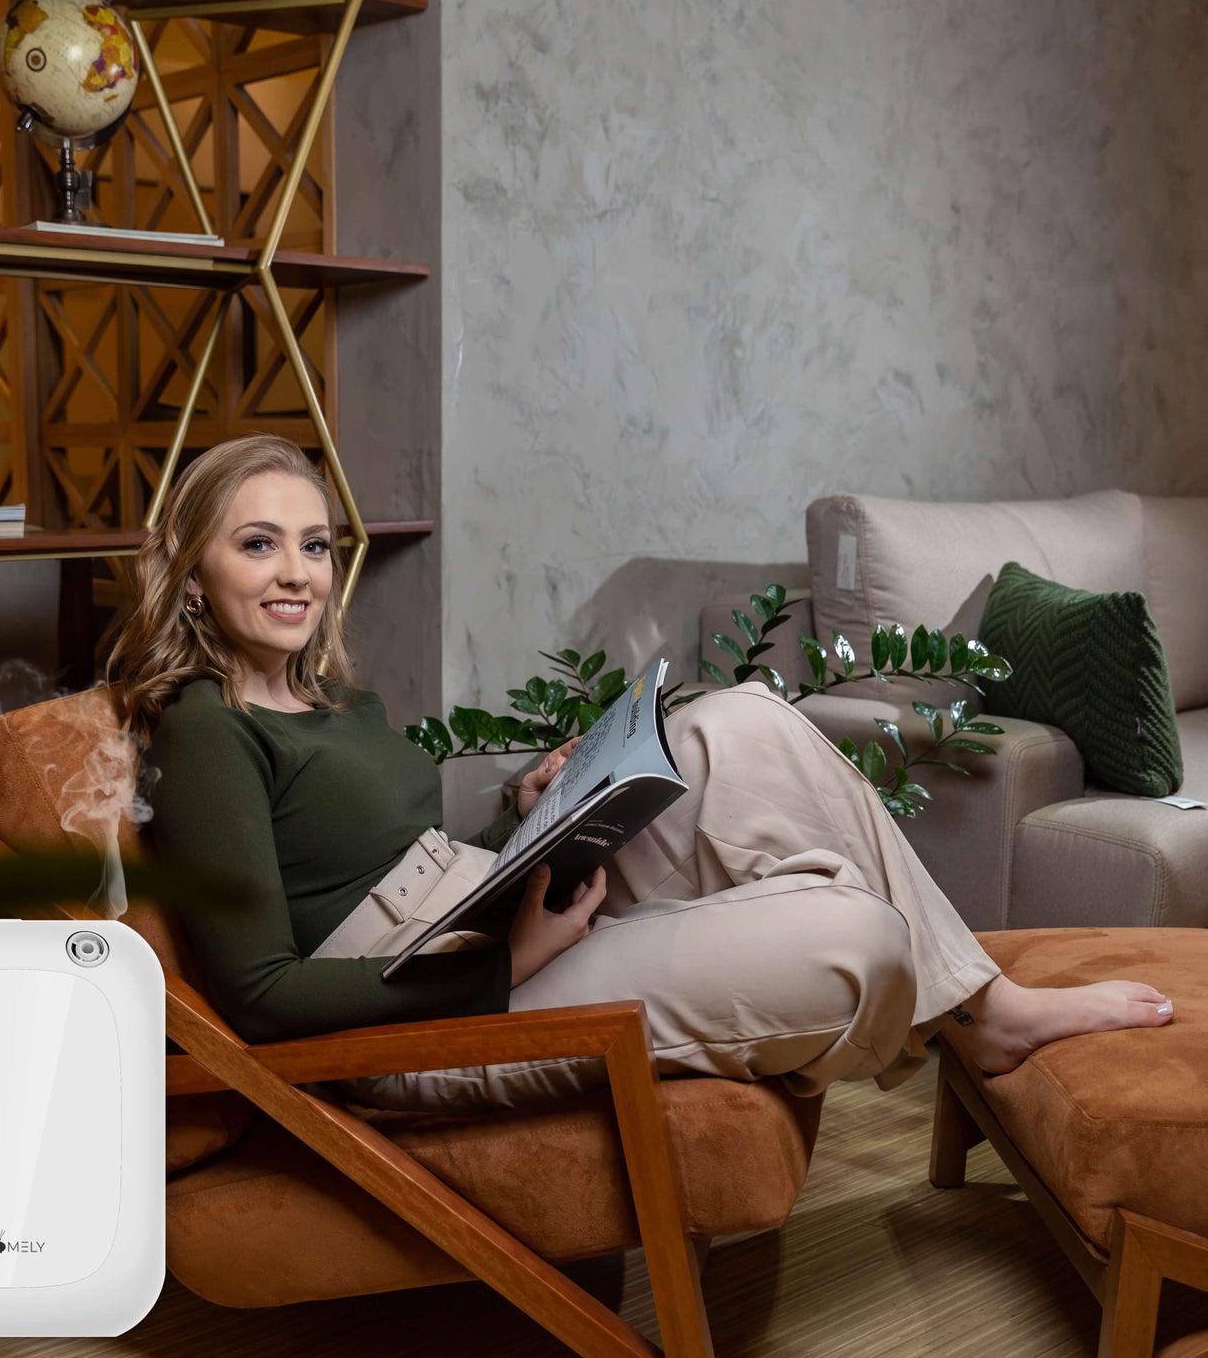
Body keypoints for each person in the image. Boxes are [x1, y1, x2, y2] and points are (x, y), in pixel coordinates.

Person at [109, 434, 1174, 1113]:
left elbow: (387, 853)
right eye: (256, 544)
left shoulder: (338, 700)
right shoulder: (206, 728)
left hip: (476, 917)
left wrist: (521, 815)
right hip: (422, 1013)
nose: (296, 571)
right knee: (855, 935)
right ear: (195, 575)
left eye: (313, 544)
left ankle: (981, 1010)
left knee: (741, 721)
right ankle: (944, 1005)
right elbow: (257, 996)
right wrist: (509, 960)